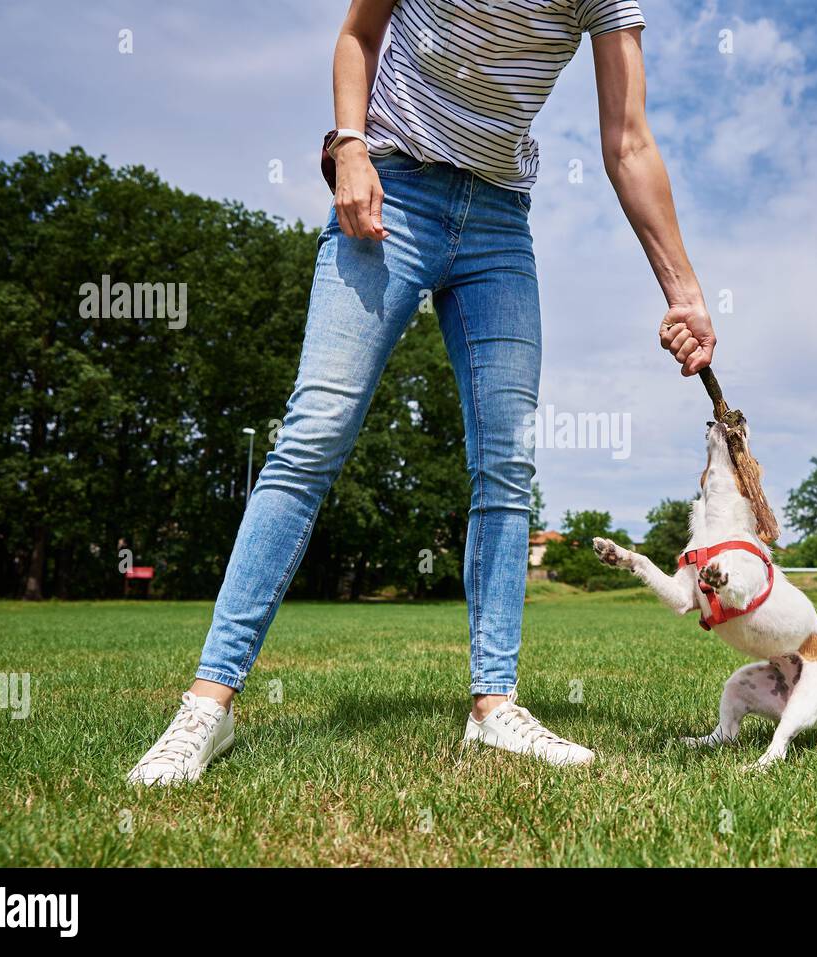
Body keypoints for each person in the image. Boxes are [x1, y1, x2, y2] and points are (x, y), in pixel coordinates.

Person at [129, 0, 716, 784]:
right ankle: (209, 705)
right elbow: (358, 34)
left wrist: (685, 291)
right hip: (392, 189)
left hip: (500, 221)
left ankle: (494, 706)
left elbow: (629, 140)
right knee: (313, 436)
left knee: (506, 465)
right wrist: (349, 148)